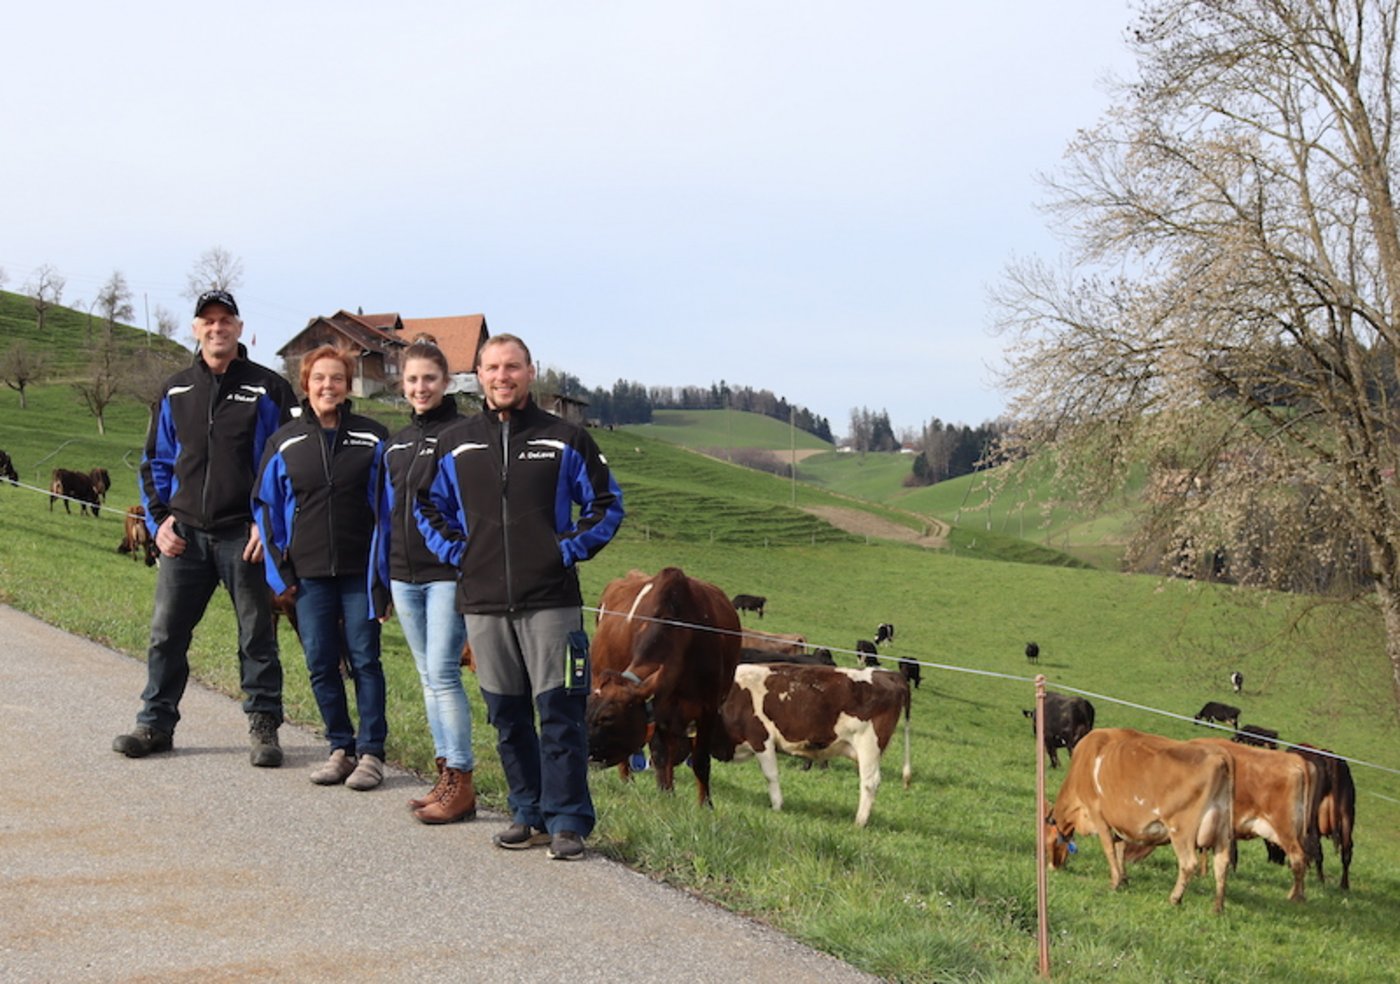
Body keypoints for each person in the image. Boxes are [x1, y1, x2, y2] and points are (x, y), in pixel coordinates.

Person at [417, 333, 623, 860]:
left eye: (512, 367)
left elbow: (607, 504)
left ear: (530, 372)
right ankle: (527, 813)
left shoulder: (566, 439)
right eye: (491, 367)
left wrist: (566, 550)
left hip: (551, 600)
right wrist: (462, 554)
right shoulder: (456, 442)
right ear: (478, 375)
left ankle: (568, 820)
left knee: (560, 713)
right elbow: (426, 506)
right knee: (506, 716)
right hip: (483, 602)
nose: (502, 376)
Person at [114, 289, 297, 766]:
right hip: (186, 536)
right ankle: (155, 723)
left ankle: (264, 726)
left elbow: (288, 465)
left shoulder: (270, 389)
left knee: (256, 634)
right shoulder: (175, 389)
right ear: (195, 329)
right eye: (207, 321)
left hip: (245, 535)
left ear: (239, 328)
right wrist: (158, 522)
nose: (217, 328)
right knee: (166, 634)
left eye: (225, 320)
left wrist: (269, 524)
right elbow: (154, 460)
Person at [254, 345, 391, 790]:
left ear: (348, 385)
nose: (328, 386)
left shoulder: (373, 437)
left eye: (336, 378)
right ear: (305, 384)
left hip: (360, 573)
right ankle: (340, 747)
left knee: (366, 660)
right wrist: (282, 576)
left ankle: (371, 754)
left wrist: (383, 576)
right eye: (319, 379)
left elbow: (388, 510)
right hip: (308, 575)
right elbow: (266, 510)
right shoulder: (285, 441)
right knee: (319, 662)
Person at [371, 336, 477, 823]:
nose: (420, 387)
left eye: (429, 379)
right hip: (401, 572)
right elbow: (385, 515)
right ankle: (444, 777)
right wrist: (380, 578)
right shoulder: (394, 444)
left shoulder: (464, 433)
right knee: (426, 677)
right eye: (412, 379)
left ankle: (461, 778)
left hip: (445, 574)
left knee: (443, 673)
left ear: (447, 382)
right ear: (402, 384)